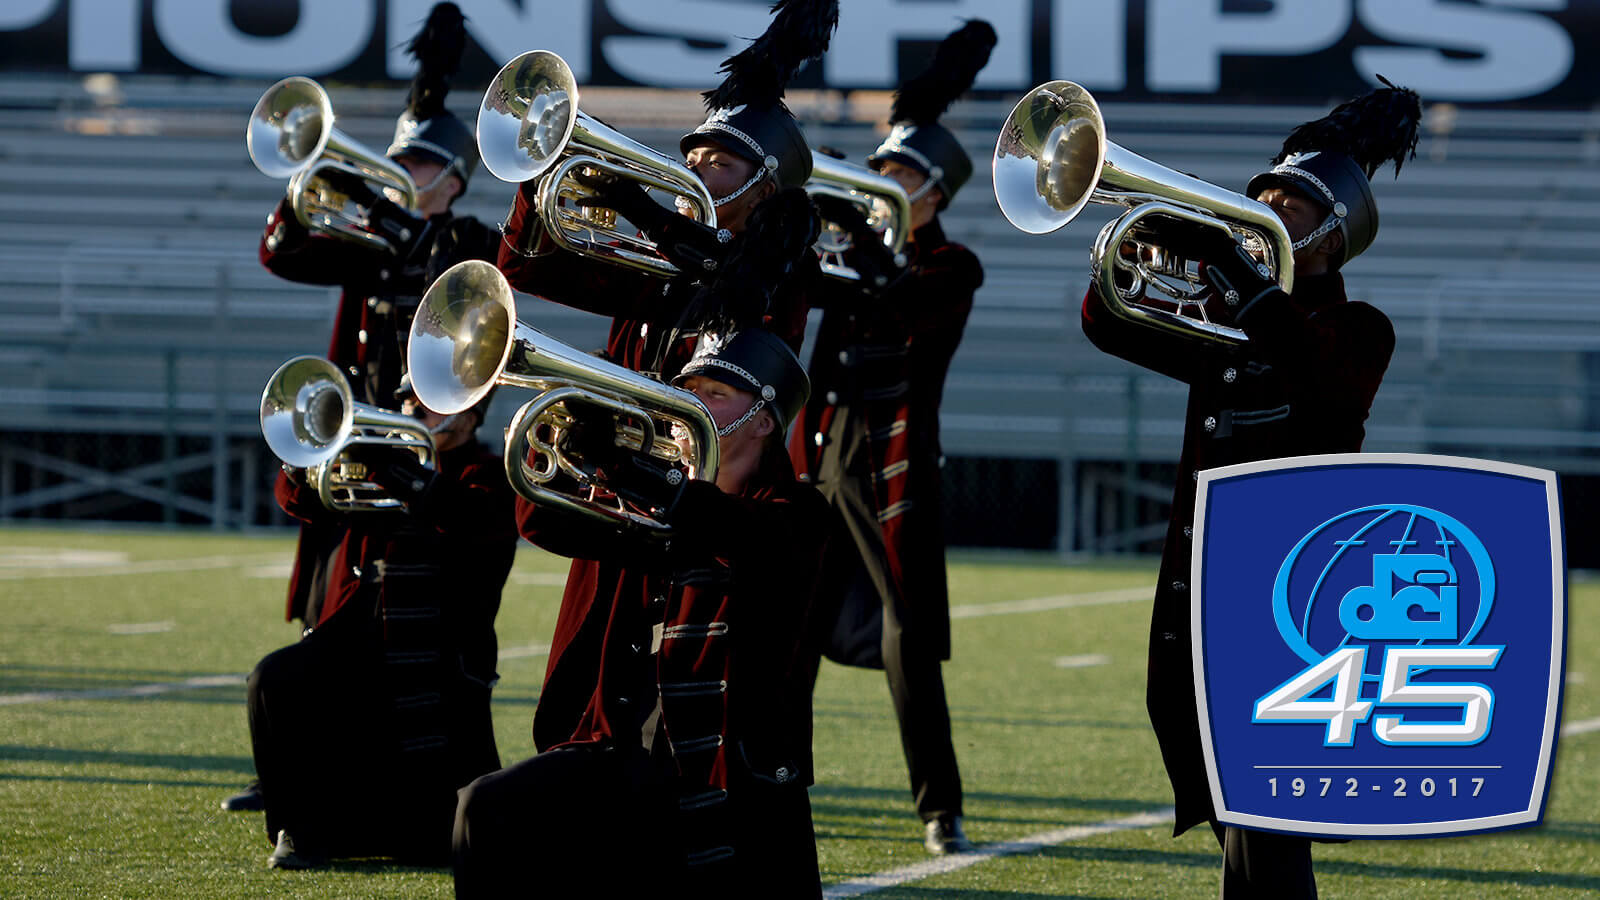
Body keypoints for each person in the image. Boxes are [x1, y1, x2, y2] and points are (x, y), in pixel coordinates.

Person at [1079, 79, 1422, 897]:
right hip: (1205, 596)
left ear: (1333, 240)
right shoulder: (1225, 326)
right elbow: (1104, 321)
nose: (1262, 210)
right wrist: (1146, 241)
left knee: (1268, 831)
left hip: (1290, 608)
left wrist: (1242, 278)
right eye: (1259, 196)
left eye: (1289, 209)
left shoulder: (1358, 328)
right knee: (1243, 827)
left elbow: (1321, 375)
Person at [452, 326, 829, 897]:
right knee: (484, 806)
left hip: (730, 778)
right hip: (627, 758)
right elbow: (541, 522)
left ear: (763, 421)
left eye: (715, 394)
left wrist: (640, 474)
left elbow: (735, 532)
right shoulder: (649, 504)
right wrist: (573, 442)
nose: (689, 406)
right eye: (687, 388)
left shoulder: (798, 512)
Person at [790, 20, 995, 855]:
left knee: (909, 641)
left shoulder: (952, 267)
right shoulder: (842, 247)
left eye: (901, 174)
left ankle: (937, 806)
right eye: (881, 170)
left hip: (890, 461)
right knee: (790, 627)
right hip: (820, 445)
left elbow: (906, 312)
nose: (882, 183)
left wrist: (867, 247)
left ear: (936, 193)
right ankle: (777, 785)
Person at [495, 0, 840, 380]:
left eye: (719, 163)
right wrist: (542, 170)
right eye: (692, 160)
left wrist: (642, 210)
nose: (693, 170)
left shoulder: (789, 268)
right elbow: (525, 269)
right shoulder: (660, 259)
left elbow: (737, 284)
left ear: (762, 192)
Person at [249, 386, 519, 869]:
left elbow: (464, 517)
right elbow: (302, 504)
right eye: (412, 403)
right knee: (272, 679)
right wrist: (302, 459)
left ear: (471, 415)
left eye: (433, 404)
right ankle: (298, 828)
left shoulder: (488, 473)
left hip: (444, 640)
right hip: (362, 622)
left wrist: (397, 471)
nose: (417, 411)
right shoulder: (379, 465)